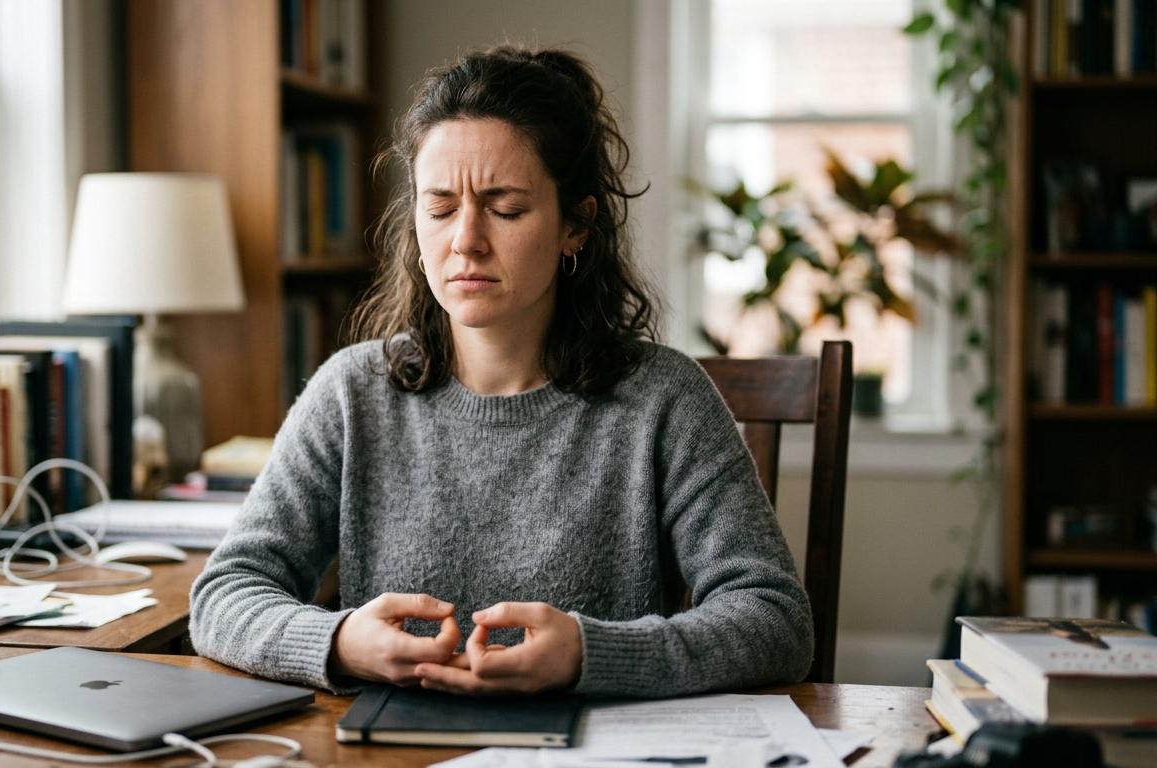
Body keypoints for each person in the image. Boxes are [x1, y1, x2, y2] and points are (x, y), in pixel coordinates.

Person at [190, 45, 813, 697]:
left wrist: (590, 654)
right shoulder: (352, 393)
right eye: (439, 209)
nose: (465, 240)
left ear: (576, 225)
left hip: (599, 742)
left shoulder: (665, 401)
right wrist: (342, 642)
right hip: (392, 742)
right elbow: (224, 595)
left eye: (506, 209)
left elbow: (775, 621)